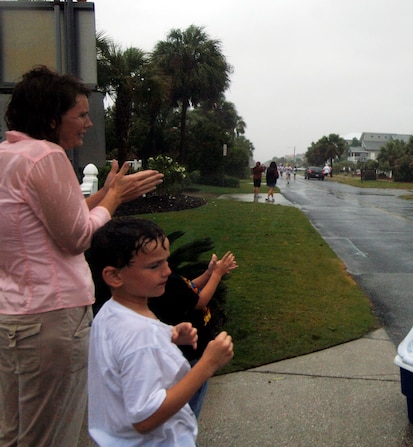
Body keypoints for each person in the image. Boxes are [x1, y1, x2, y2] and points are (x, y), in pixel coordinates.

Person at [0, 65, 163, 447]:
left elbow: (52, 218)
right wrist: (116, 199)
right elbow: (75, 236)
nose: (88, 123)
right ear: (53, 117)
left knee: (12, 431)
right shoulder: (47, 156)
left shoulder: (9, 154)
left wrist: (106, 194)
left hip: (13, 316)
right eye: (82, 114)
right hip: (53, 319)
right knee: (51, 435)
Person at [87, 217, 234, 446]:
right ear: (114, 276)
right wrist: (208, 364)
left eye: (166, 261)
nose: (167, 271)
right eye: (154, 266)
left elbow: (123, 353)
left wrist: (169, 334)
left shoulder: (109, 313)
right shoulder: (141, 336)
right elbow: (145, 418)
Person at [149, 250, 238, 418]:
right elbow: (200, 301)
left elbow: (190, 289)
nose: (167, 268)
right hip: (191, 353)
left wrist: (209, 272)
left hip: (192, 349)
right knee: (189, 407)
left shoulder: (170, 280)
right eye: (159, 262)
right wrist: (217, 274)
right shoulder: (166, 283)